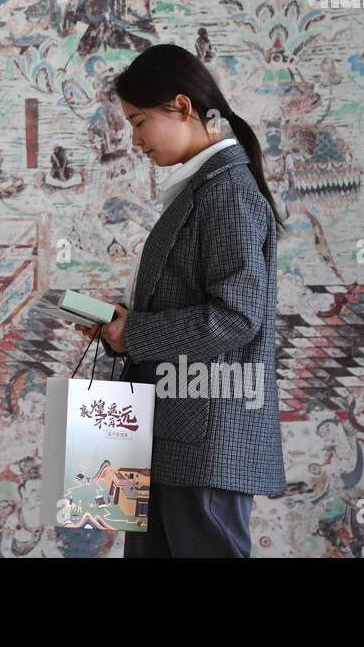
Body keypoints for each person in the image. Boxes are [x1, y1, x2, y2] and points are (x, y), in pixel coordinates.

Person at [75, 44, 287, 556]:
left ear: (182, 107)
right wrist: (124, 328)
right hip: (171, 430)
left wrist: (138, 333)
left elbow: (237, 316)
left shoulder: (227, 191)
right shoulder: (203, 187)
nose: (134, 138)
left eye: (139, 120)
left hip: (205, 435)